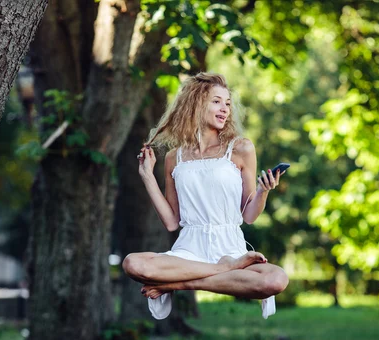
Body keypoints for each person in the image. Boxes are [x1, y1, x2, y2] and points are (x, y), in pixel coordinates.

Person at [122, 72, 289, 320]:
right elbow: (171, 222)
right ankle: (222, 270)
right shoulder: (173, 157)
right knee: (132, 264)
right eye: (217, 101)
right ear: (197, 104)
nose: (225, 109)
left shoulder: (241, 148)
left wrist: (263, 191)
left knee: (276, 279)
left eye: (228, 104)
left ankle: (177, 284)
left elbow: (250, 216)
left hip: (231, 248)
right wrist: (147, 176)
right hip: (188, 251)